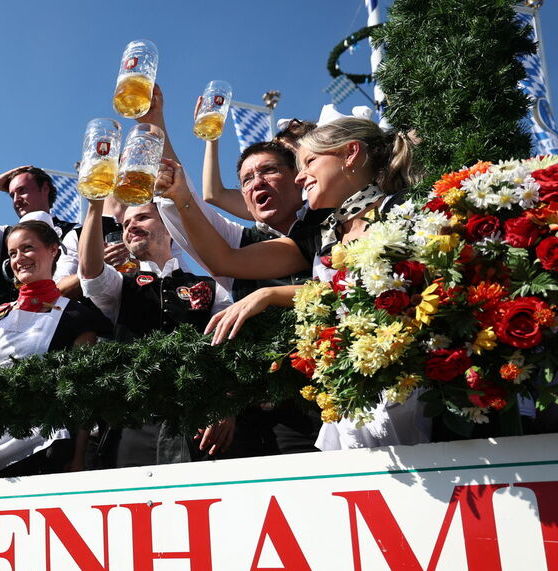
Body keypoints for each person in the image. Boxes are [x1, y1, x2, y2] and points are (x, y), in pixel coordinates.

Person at [165, 116, 426, 450]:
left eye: (310, 162)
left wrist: (271, 293)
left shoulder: (405, 209)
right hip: (356, 404)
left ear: (350, 154)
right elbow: (225, 260)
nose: (301, 177)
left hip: (418, 394)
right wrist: (181, 197)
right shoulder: (323, 236)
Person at [79, 197, 235, 465]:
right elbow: (90, 272)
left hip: (196, 426)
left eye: (142, 217)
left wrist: (227, 405)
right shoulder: (121, 285)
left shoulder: (211, 287)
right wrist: (94, 206)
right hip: (131, 429)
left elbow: (229, 349)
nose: (131, 226)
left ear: (169, 227)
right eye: (125, 224)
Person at [0, 219, 112, 478]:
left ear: (53, 250)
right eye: (12, 253)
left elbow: (83, 393)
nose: (19, 259)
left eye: (27, 248)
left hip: (44, 449)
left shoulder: (76, 315)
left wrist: (78, 457)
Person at [0, 166, 82, 297]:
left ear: (45, 188)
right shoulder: (8, 236)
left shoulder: (75, 231)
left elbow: (65, 285)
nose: (16, 200)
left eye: (22, 191)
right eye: (12, 195)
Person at [201, 118, 318, 221]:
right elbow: (214, 194)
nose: (257, 183)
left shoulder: (324, 191)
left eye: (290, 152)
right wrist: (212, 137)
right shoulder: (275, 200)